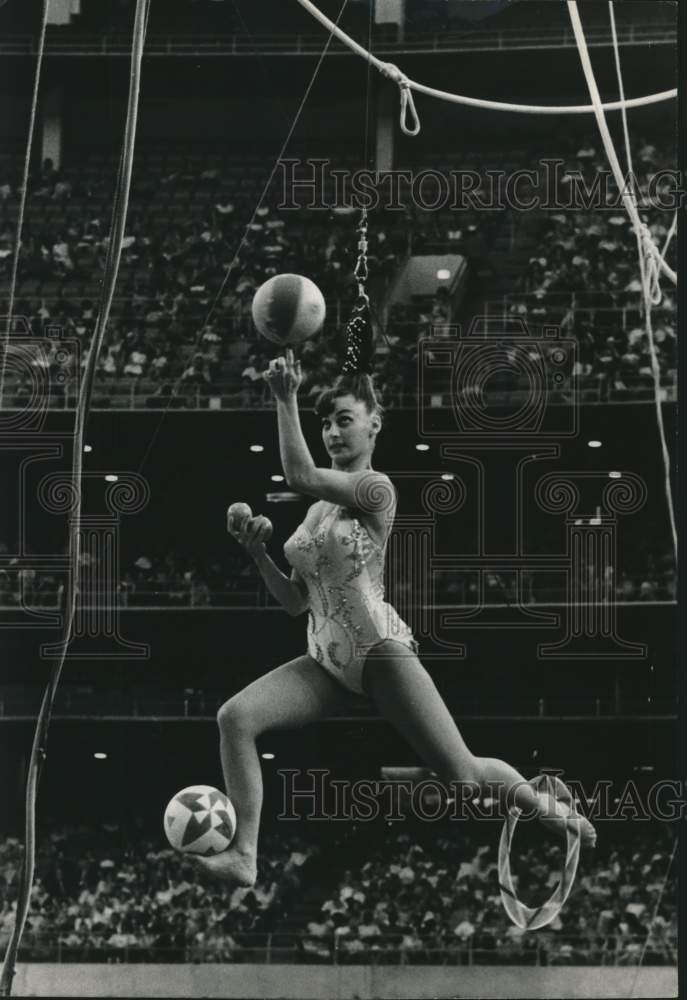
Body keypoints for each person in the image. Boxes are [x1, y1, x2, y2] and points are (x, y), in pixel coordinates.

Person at [195, 346, 595, 885]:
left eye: (344, 420)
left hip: (380, 650)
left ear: (374, 425)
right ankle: (245, 853)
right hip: (325, 660)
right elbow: (295, 602)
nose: (333, 432)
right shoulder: (317, 511)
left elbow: (298, 470)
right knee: (234, 719)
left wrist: (285, 398)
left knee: (465, 776)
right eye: (325, 423)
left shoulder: (375, 489)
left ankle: (549, 808)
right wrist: (256, 553)